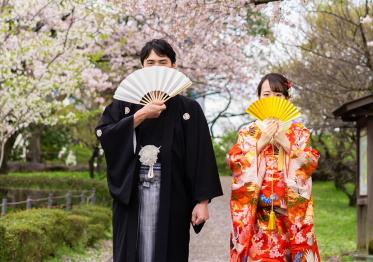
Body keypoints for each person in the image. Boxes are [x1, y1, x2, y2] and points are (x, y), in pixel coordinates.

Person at [96, 39, 223, 262]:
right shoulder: (124, 104)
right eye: (150, 62)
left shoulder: (189, 109)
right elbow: (104, 135)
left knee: (170, 249)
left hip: (172, 193)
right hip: (132, 191)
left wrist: (202, 202)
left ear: (174, 66)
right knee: (130, 250)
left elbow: (201, 154)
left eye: (162, 62)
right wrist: (139, 116)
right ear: (142, 67)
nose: (156, 67)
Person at [229, 73, 321, 262]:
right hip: (257, 215)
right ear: (259, 98)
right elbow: (235, 164)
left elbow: (310, 163)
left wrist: (287, 144)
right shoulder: (248, 132)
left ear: (288, 98)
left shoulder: (299, 132)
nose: (272, 99)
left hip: (290, 216)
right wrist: (259, 143)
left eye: (278, 95)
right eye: (267, 94)